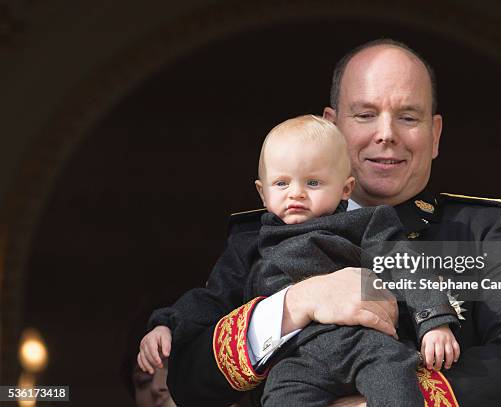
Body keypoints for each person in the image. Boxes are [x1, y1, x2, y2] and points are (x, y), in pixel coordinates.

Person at [140, 39, 501, 407]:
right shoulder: (259, 234)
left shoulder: (489, 229)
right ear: (332, 125)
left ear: (434, 135)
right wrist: (294, 305)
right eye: (364, 114)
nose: (386, 134)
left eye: (408, 117)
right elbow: (191, 383)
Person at [139, 114, 461, 406]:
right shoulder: (249, 244)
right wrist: (169, 324)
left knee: (396, 381)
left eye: (313, 182)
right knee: (280, 398)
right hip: (297, 359)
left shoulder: (367, 224)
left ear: (345, 188)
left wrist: (433, 322)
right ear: (262, 193)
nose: (296, 193)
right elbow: (213, 298)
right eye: (282, 183)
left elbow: (405, 265)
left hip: (368, 344)